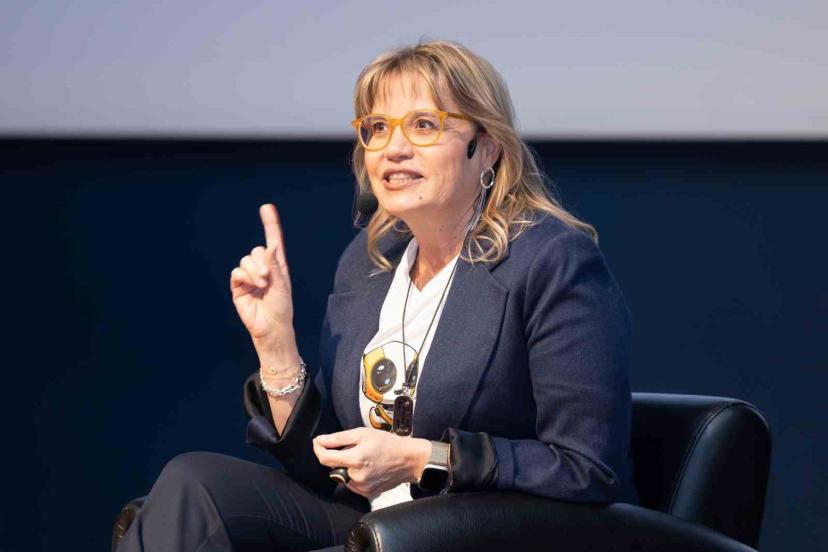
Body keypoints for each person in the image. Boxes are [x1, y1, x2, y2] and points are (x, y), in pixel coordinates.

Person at [116, 39, 638, 552]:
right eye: (378, 128)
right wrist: (275, 344)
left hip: (483, 534)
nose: (393, 148)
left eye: (424, 125)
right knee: (192, 483)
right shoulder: (370, 263)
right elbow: (322, 465)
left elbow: (588, 467)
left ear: (487, 147)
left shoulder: (551, 260)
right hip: (375, 529)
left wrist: (421, 459)